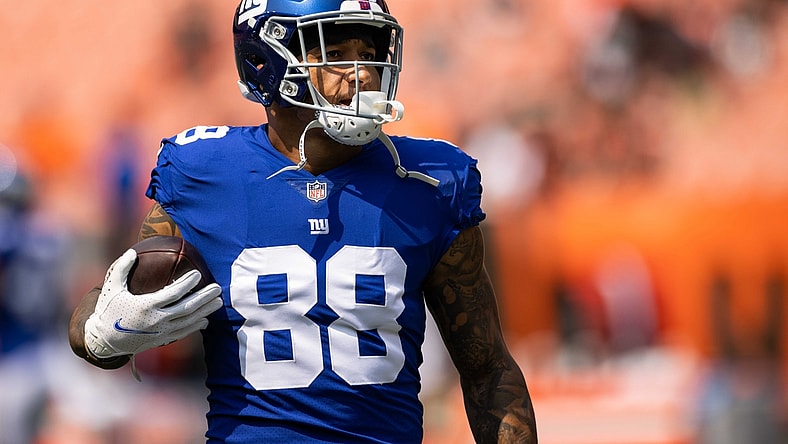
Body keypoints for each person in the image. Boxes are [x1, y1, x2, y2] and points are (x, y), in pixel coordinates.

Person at [68, 1, 538, 442]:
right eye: (335, 53)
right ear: (266, 59)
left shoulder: (429, 181)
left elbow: (487, 368)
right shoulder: (204, 173)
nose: (362, 75)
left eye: (369, 54)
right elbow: (104, 309)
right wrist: (105, 331)